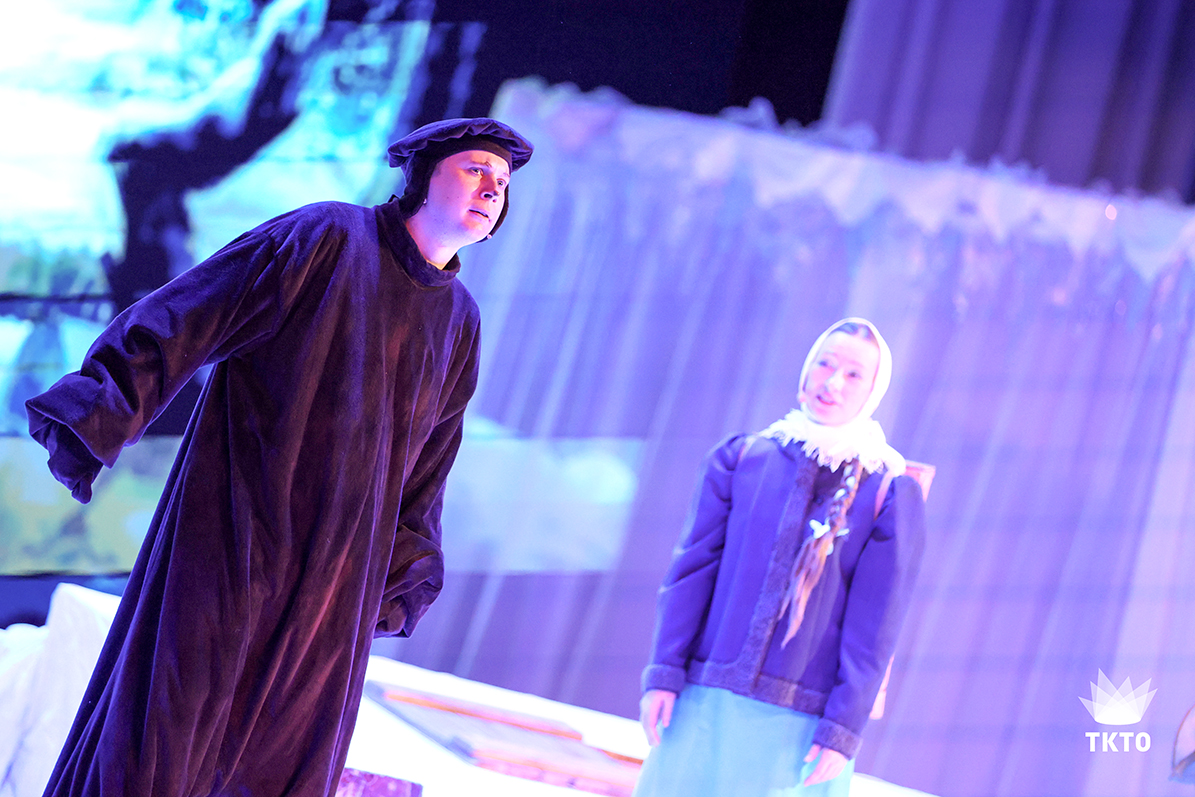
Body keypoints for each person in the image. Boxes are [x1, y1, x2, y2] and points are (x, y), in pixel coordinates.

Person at [24, 117, 532, 797]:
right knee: (168, 736)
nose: (492, 190)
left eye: (502, 182)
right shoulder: (329, 237)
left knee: (281, 762)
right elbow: (193, 311)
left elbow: (429, 465)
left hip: (335, 586)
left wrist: (403, 572)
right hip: (238, 536)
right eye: (475, 169)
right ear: (422, 175)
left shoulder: (459, 319)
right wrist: (102, 405)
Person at [634, 318, 927, 796]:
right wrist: (663, 675)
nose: (833, 382)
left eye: (854, 374)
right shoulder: (742, 459)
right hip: (703, 703)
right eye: (825, 364)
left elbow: (875, 626)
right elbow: (691, 574)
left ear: (874, 390)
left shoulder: (887, 493)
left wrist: (843, 729)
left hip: (800, 731)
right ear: (806, 369)